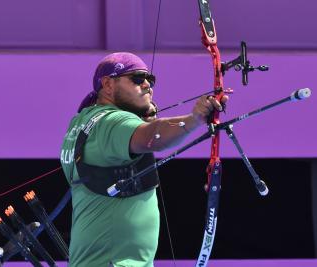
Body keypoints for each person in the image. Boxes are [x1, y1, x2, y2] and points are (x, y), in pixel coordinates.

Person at [60, 52, 228, 266]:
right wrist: (194, 119)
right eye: (137, 78)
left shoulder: (82, 121)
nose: (148, 85)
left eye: (150, 79)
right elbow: (152, 138)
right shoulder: (111, 123)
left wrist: (142, 121)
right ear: (108, 84)